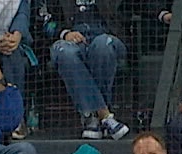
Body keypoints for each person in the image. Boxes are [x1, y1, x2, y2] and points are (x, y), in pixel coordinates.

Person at [50, 0, 128, 140]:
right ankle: (104, 116)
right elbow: (44, 23)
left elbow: (127, 12)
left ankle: (93, 116)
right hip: (69, 40)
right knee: (66, 53)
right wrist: (65, 33)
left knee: (102, 46)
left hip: (106, 36)